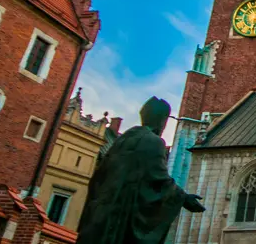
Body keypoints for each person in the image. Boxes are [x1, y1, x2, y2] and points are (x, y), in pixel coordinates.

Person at [76, 97, 205, 244]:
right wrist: (184, 198)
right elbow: (159, 180)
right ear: (162, 120)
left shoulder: (123, 140)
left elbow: (98, 179)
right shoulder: (153, 142)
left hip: (100, 218)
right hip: (123, 218)